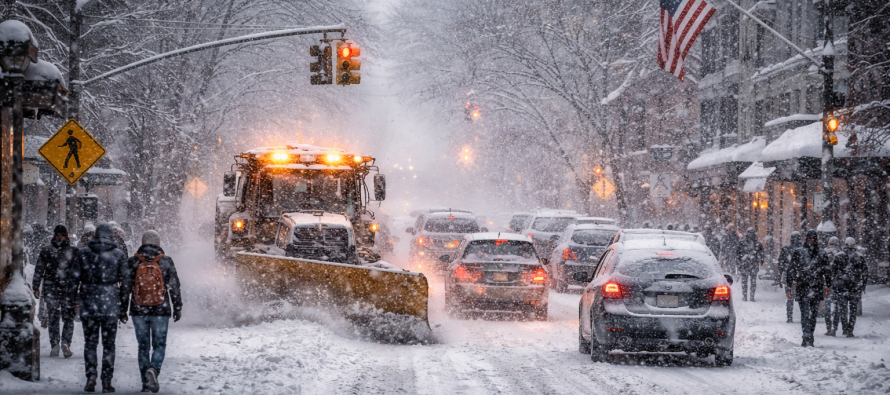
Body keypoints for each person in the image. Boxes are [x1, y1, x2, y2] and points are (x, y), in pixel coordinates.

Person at [120, 230, 183, 393]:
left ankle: (145, 383)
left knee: (143, 346)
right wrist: (177, 307)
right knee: (159, 344)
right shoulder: (166, 261)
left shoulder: (133, 261)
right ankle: (154, 369)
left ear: (143, 242)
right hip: (160, 309)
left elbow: (125, 287)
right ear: (158, 243)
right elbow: (174, 286)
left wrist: (123, 308)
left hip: (138, 309)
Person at [68, 223, 128, 393]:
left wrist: (73, 301)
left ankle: (91, 376)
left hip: (89, 303)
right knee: (109, 345)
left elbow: (73, 279)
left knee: (90, 343)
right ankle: (107, 381)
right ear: (112, 236)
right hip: (110, 304)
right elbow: (125, 282)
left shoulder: (83, 253)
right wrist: (123, 306)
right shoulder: (118, 254)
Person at [32, 225, 79, 358]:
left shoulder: (47, 250)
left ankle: (54, 344)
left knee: (53, 317)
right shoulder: (73, 251)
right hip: (68, 289)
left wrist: (36, 286)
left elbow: (39, 269)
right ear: (67, 236)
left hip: (51, 288)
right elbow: (78, 273)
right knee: (68, 318)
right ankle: (66, 342)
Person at [786, 230, 832, 347]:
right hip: (805, 287)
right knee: (806, 314)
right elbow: (791, 269)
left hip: (814, 287)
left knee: (812, 315)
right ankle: (807, 336)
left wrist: (828, 284)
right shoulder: (801, 252)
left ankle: (808, 335)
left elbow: (827, 271)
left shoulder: (820, 254)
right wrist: (789, 283)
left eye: (813, 239)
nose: (811, 241)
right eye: (810, 239)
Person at [830, 237, 869, 337]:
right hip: (854, 287)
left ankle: (846, 328)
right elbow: (864, 272)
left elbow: (832, 272)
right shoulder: (859, 257)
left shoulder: (839, 256)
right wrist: (862, 284)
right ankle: (849, 330)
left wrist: (836, 280)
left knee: (844, 310)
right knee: (852, 310)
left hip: (842, 287)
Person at [777, 231, 802, 322]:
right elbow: (781, 264)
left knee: (791, 297)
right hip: (796, 276)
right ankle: (793, 316)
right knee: (795, 297)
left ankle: (790, 316)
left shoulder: (787, 249)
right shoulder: (802, 249)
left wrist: (779, 278)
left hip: (793, 276)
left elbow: (780, 264)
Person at [738, 227, 765, 302]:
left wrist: (760, 260)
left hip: (753, 264)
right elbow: (738, 253)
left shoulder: (757, 243)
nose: (751, 234)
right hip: (745, 264)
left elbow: (762, 252)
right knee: (745, 281)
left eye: (752, 233)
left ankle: (751, 296)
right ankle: (745, 296)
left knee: (752, 282)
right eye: (750, 233)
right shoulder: (742, 243)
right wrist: (740, 261)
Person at [823, 237, 841, 335]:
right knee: (836, 306)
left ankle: (829, 327)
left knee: (827, 307)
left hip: (826, 283)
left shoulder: (824, 252)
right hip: (837, 283)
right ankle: (835, 327)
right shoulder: (840, 253)